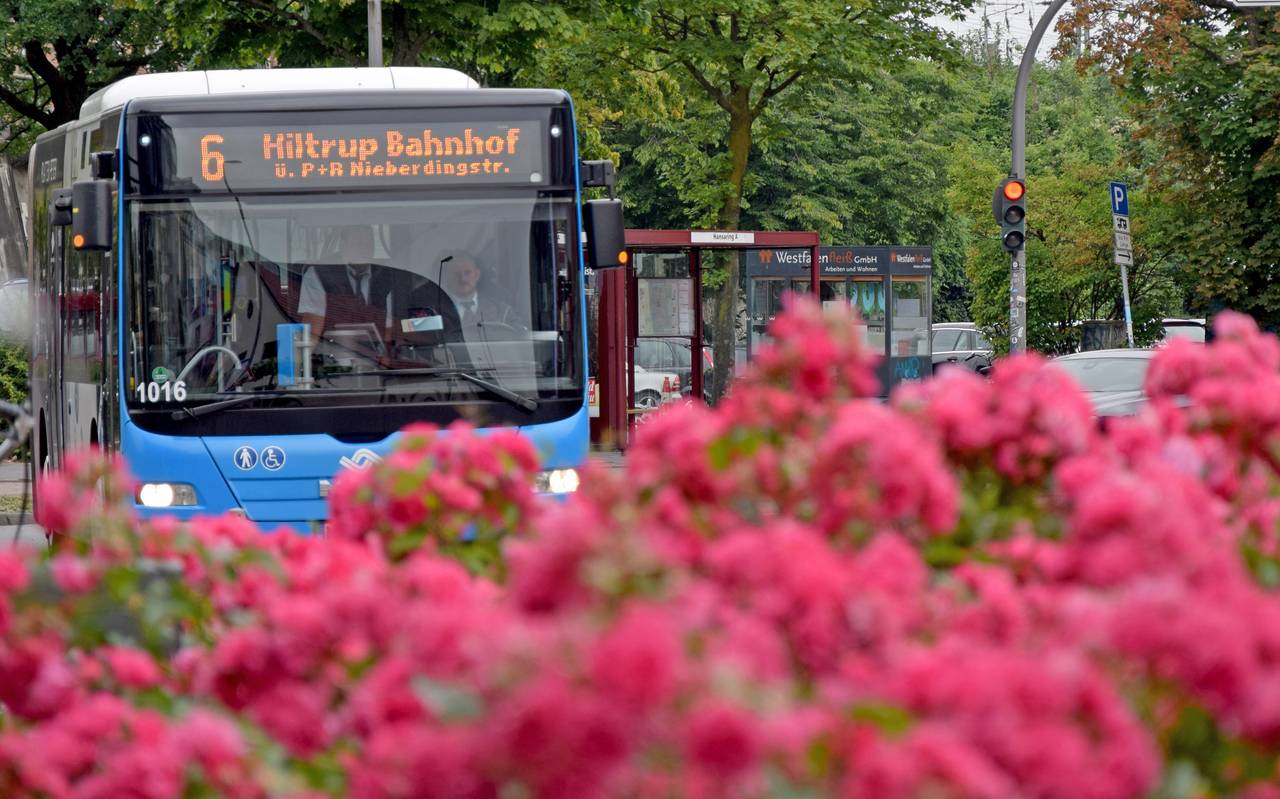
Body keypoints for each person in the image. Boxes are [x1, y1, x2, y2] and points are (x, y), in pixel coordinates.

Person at [297, 225, 399, 348]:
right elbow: (312, 329)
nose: (363, 249)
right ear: (343, 245)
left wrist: (387, 357)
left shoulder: (386, 276)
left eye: (368, 243)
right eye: (357, 243)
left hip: (376, 359)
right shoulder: (319, 274)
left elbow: (389, 328)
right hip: (331, 357)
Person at [440, 251, 523, 332]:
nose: (463, 278)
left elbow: (521, 339)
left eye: (467, 272)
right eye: (456, 273)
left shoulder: (503, 312)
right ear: (447, 277)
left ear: (477, 275)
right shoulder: (435, 313)